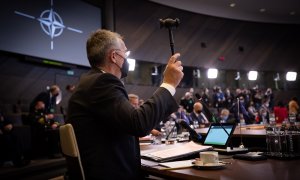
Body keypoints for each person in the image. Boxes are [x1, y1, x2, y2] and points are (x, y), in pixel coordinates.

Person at [66, 29, 183, 179]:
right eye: (125, 54)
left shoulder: (92, 81)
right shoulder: (101, 82)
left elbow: (127, 123)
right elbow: (138, 123)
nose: (127, 58)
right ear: (114, 56)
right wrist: (169, 84)